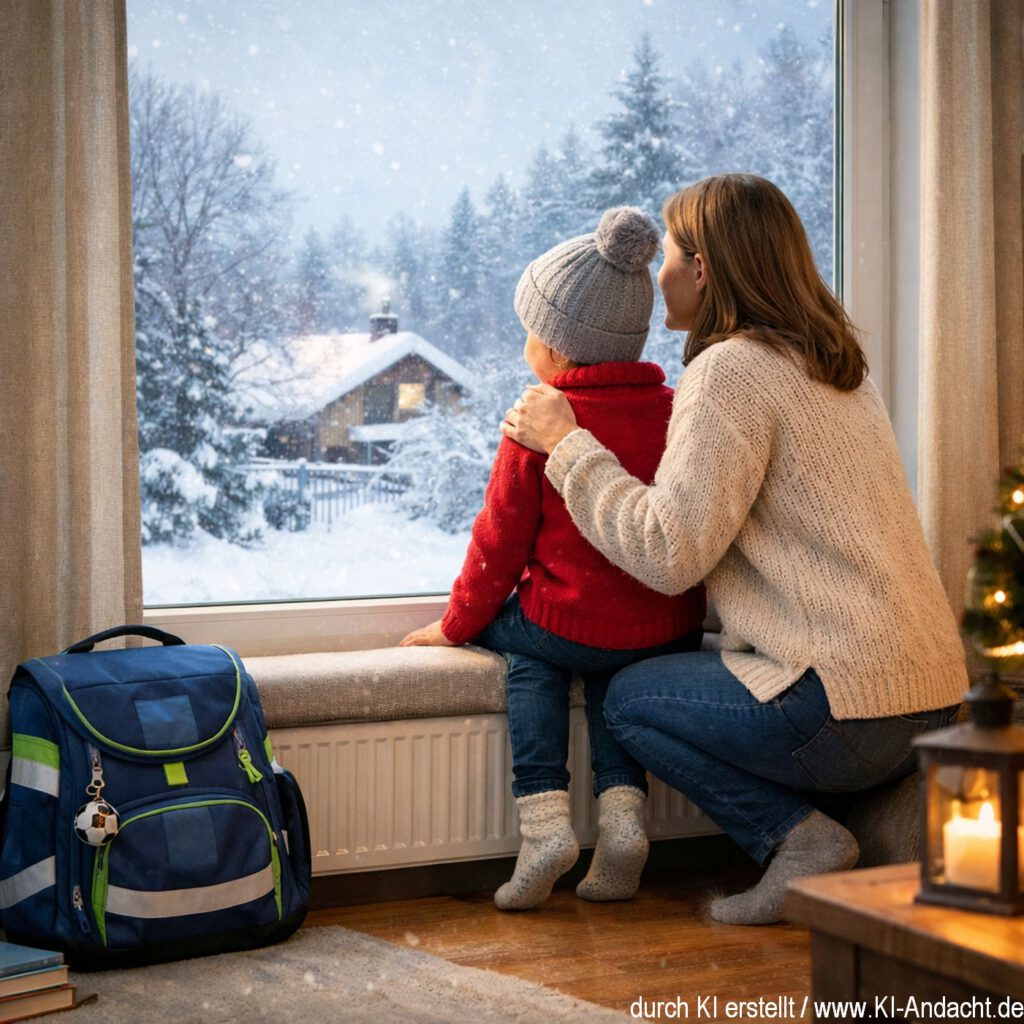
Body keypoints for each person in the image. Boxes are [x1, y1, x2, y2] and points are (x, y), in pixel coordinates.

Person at [500, 173, 967, 926]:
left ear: (704, 268)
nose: (661, 275)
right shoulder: (831, 360)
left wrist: (568, 445)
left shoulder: (729, 370)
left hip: (843, 707)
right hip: (929, 696)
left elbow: (667, 551)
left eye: (672, 254)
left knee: (627, 701)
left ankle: (797, 839)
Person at [401, 207, 706, 910]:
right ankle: (624, 824)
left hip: (569, 622)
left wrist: (455, 626)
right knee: (613, 680)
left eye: (530, 334)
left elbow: (499, 541)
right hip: (664, 623)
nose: (525, 347)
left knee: (529, 652)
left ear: (561, 352)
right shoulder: (672, 408)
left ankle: (544, 823)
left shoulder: (540, 418)